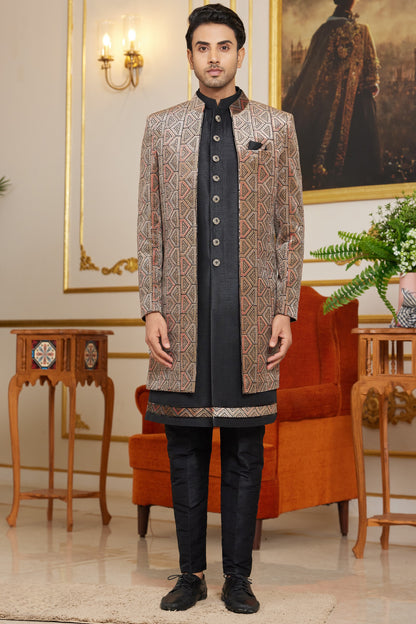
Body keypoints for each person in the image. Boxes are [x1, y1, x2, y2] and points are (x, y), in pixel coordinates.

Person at [137, 3, 303, 615]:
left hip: (250, 317)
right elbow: (149, 226)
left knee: (244, 450)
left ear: (240, 53)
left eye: (224, 46)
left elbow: (290, 227)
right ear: (190, 55)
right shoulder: (161, 127)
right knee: (183, 450)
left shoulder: (276, 127)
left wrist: (285, 308)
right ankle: (190, 575)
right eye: (203, 47)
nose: (214, 57)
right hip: (179, 319)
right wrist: (151, 307)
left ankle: (238, 578)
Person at [283, 0, 381, 190]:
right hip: (356, 108)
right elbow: (371, 79)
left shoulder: (322, 31)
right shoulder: (361, 31)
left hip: (327, 108)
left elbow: (309, 73)